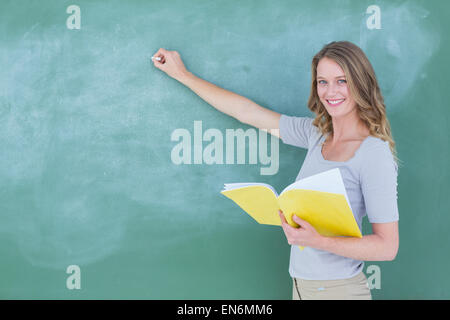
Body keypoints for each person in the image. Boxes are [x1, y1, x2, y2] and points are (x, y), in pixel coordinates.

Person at [152, 41, 399, 300]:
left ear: (360, 82)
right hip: (302, 288)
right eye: (322, 81)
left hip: (340, 292)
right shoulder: (316, 135)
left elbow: (387, 247)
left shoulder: (373, 153)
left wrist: (318, 241)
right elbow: (247, 112)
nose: (330, 91)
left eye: (341, 80)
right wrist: (183, 75)